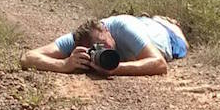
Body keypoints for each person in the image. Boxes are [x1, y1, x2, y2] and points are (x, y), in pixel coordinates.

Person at [20, 14, 188, 76]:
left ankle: (165, 22)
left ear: (106, 30)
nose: (103, 49)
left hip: (167, 36)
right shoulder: (77, 40)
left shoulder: (121, 27)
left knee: (183, 46)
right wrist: (64, 64)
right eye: (95, 48)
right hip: (140, 26)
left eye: (102, 43)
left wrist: (115, 68)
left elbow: (159, 64)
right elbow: (27, 57)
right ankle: (149, 19)